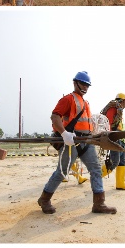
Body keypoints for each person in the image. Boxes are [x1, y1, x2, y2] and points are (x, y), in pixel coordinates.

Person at [37, 71, 117, 215]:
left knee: (96, 169)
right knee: (62, 171)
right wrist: (64, 134)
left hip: (86, 141)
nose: (85, 87)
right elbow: (55, 116)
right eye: (83, 84)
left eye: (87, 85)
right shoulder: (68, 99)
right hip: (71, 141)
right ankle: (44, 199)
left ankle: (99, 203)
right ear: (75, 83)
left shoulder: (86, 103)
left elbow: (87, 124)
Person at [101, 93, 125, 190]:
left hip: (121, 139)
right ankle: (96, 176)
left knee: (122, 161)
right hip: (115, 138)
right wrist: (110, 137)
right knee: (114, 162)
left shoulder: (119, 110)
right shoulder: (113, 108)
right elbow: (108, 124)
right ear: (122, 101)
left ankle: (120, 183)